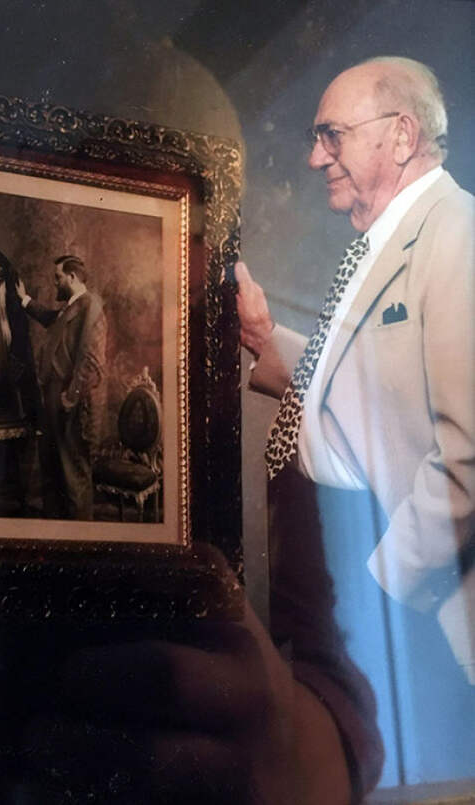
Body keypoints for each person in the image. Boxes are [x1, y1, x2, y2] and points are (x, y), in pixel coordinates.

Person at [236, 56, 474, 679]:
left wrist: (384, 589)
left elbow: (467, 454)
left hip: (394, 598)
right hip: (333, 565)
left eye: (331, 135)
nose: (316, 159)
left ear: (401, 135)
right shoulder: (384, 238)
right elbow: (365, 388)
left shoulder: (459, 236)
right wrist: (266, 337)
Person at [16, 255, 107, 520]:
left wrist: (70, 397)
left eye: (58, 277)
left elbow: (92, 363)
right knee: (54, 470)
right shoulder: (72, 306)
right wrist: (24, 299)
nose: (54, 282)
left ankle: (80, 542)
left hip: (72, 402)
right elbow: (49, 317)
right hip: (55, 398)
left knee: (73, 473)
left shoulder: (91, 307)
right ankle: (56, 537)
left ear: (72, 278)